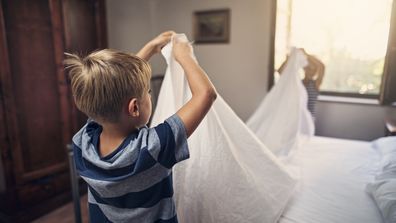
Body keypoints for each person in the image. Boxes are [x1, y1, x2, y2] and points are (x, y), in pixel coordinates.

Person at [64, 31, 217, 222]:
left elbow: (110, 88)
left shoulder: (82, 142)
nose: (149, 94)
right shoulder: (153, 148)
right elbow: (206, 94)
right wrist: (184, 55)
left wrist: (150, 48)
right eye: (148, 91)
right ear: (134, 107)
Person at [278, 49, 325, 118]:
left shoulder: (316, 84)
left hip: (309, 119)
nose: (311, 70)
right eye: (309, 68)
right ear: (304, 68)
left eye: (314, 69)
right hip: (296, 118)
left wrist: (306, 54)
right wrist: (288, 59)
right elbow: (280, 72)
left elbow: (322, 66)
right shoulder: (298, 83)